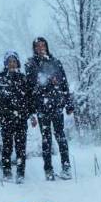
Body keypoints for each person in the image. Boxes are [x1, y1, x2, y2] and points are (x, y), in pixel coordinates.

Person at [25, 37, 73, 181]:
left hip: (57, 104)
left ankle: (66, 168)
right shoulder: (31, 64)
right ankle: (48, 170)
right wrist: (48, 84)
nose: (41, 48)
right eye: (38, 46)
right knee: (46, 138)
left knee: (61, 136)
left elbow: (64, 83)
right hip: (42, 106)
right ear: (34, 48)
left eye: (43, 45)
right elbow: (31, 86)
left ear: (47, 46)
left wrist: (69, 103)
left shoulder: (56, 62)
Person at [0, 51, 35, 183]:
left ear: (18, 63)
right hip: (6, 118)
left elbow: (30, 100)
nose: (12, 64)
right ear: (5, 63)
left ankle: (20, 174)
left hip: (21, 118)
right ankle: (7, 172)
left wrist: (32, 115)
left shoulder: (23, 79)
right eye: (9, 61)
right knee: (7, 147)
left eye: (14, 61)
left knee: (21, 148)